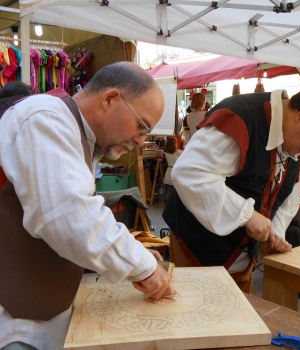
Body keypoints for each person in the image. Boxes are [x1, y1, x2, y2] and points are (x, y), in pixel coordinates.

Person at [0, 62, 174, 350]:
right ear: (109, 99)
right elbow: (69, 217)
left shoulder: (75, 132)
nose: (140, 140)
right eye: (141, 126)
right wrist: (143, 266)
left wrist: (135, 253)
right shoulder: (44, 118)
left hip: (42, 310)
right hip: (16, 323)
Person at [163, 86, 300, 293]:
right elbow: (190, 173)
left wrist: (274, 236)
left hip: (242, 255)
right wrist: (246, 215)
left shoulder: (296, 144)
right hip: (197, 244)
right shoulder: (242, 116)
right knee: (196, 311)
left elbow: (288, 196)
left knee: (240, 319)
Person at [163, 137, 183, 201]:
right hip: (175, 171)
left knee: (170, 187)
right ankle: (174, 200)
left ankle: (168, 199)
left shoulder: (165, 152)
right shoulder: (178, 152)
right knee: (176, 187)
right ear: (175, 144)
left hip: (169, 170)